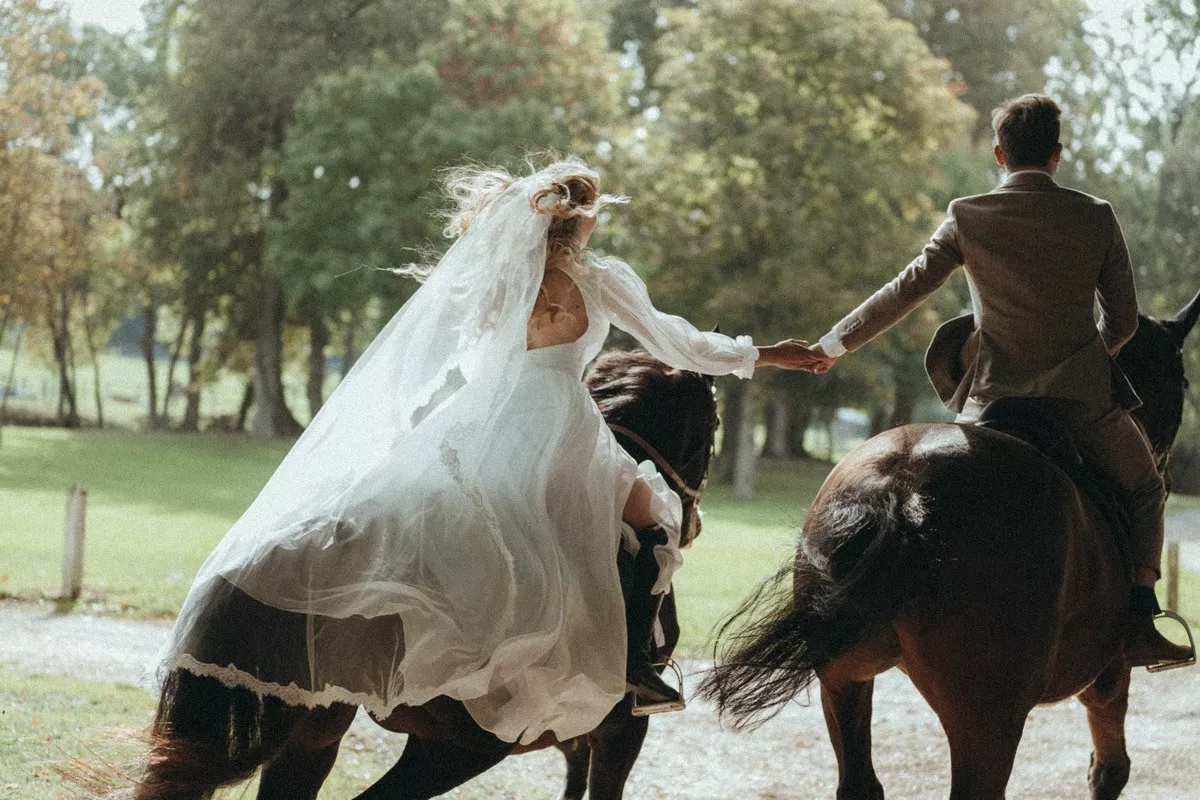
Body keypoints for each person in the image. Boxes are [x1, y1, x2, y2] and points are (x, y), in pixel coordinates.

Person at [157, 158, 823, 746]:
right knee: (650, 519)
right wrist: (763, 356)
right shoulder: (599, 280)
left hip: (482, 417)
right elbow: (678, 342)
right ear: (578, 221)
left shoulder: (495, 282)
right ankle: (636, 669)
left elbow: (438, 356)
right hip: (562, 424)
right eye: (594, 216)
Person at [803, 94, 1193, 669]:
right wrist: (1085, 354)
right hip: (1081, 404)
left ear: (998, 153)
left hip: (990, 405)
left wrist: (832, 345)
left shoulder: (968, 214)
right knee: (1144, 488)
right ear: (1057, 154)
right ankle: (1139, 617)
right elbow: (1126, 322)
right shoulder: (1096, 215)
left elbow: (906, 289)